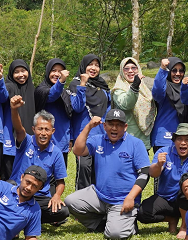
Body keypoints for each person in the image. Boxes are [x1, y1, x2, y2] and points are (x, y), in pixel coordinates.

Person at [64, 109, 151, 240]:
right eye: (111, 124)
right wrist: (88, 127)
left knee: (114, 234)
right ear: (105, 126)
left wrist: (131, 198)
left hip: (122, 200)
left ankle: (128, 224)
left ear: (125, 127)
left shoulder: (136, 144)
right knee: (70, 201)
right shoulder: (98, 140)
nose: (114, 128)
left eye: (119, 125)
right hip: (99, 196)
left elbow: (144, 174)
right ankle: (101, 224)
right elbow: (77, 150)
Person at [9, 96, 69, 226]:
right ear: (33, 129)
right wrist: (14, 109)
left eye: (47, 129)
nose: (43, 133)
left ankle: (25, 217)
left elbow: (60, 182)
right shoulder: (26, 142)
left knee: (62, 211)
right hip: (18, 191)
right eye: (40, 129)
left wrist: (56, 196)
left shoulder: (56, 152)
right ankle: (27, 217)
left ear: (52, 131)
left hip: (39, 197)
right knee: (6, 195)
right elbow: (19, 128)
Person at [69, 54, 111, 189]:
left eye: (97, 65)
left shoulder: (103, 87)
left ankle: (97, 205)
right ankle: (80, 204)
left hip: (101, 136)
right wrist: (82, 84)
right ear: (83, 66)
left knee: (100, 172)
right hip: (84, 137)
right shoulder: (75, 84)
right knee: (84, 171)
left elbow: (108, 110)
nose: (93, 68)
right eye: (90, 64)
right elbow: (77, 107)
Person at [151, 57, 188, 152]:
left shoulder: (186, 88)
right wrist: (162, 69)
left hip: (183, 137)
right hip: (164, 138)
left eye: (181, 71)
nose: (178, 74)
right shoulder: (165, 89)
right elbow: (157, 91)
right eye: (174, 70)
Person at [112, 56, 156, 148]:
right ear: (122, 71)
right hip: (126, 140)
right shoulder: (118, 89)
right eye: (126, 69)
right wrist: (135, 86)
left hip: (144, 140)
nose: (130, 71)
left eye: (134, 68)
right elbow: (126, 104)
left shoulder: (144, 88)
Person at [34, 58, 74, 156]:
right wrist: (61, 81)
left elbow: (69, 116)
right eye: (53, 70)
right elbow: (52, 95)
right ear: (48, 71)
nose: (56, 74)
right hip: (45, 142)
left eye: (60, 71)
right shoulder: (41, 90)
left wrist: (70, 138)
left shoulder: (65, 93)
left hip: (62, 144)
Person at [4, 59, 36, 179]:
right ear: (11, 74)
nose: (21, 75)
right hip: (11, 141)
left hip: (29, 140)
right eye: (16, 72)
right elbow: (3, 91)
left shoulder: (32, 90)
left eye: (23, 71)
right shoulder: (10, 86)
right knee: (10, 175)